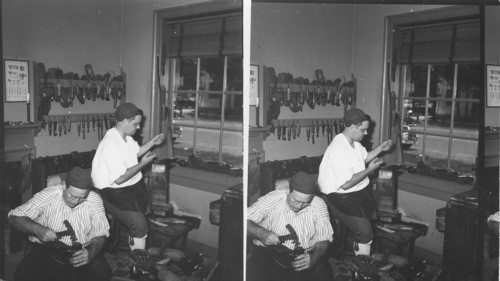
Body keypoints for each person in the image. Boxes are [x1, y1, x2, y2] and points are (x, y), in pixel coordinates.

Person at [8, 167, 111, 281]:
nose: (75, 202)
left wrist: (91, 252)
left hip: (80, 249)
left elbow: (101, 233)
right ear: (63, 185)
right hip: (47, 248)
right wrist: (38, 229)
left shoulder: (94, 200)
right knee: (22, 275)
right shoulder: (48, 195)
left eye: (82, 198)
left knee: (102, 272)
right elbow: (14, 217)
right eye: (72, 196)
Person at [318, 108, 392, 256]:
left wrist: (380, 149)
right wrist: (369, 170)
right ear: (352, 127)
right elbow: (346, 184)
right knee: (365, 232)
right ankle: (362, 266)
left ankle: (361, 255)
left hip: (355, 193)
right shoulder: (339, 149)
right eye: (363, 130)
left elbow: (362, 159)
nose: (366, 133)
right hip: (338, 196)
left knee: (369, 224)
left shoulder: (354, 143)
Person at [92, 102, 165, 251]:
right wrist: (142, 164)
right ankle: (138, 259)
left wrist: (152, 142)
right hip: (112, 191)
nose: (138, 127)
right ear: (125, 122)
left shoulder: (125, 136)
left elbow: (134, 153)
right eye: (136, 124)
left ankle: (136, 244)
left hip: (131, 186)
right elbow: (119, 179)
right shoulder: (111, 144)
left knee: (147, 211)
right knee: (140, 225)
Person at [247, 171, 334, 281]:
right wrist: (261, 233)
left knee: (325, 275)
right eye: (296, 201)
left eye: (305, 202)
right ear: (289, 191)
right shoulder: (274, 199)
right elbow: (244, 220)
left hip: (304, 254)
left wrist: (313, 257)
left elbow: (324, 238)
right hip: (270, 253)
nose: (300, 206)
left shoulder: (318, 204)